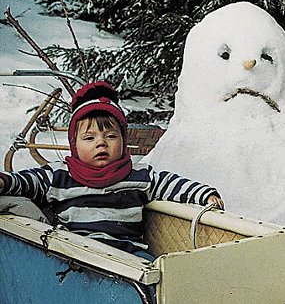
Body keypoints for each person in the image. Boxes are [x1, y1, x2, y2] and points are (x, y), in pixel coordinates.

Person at [0, 81, 224, 259]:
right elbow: (27, 181)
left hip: (128, 256)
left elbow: (171, 183)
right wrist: (4, 182)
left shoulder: (137, 176)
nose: (101, 143)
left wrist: (204, 194)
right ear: (74, 144)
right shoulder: (60, 176)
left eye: (110, 136)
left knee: (155, 280)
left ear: (123, 141)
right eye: (89, 138)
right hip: (75, 256)